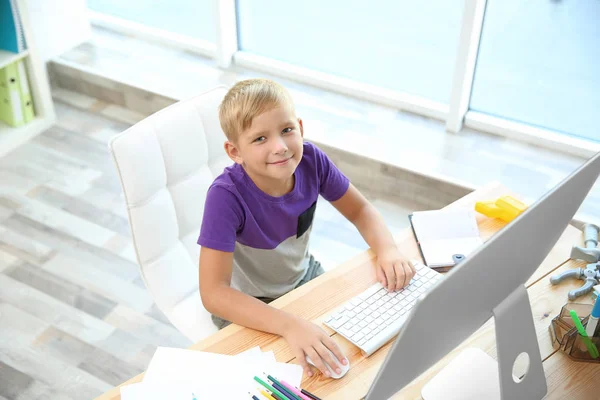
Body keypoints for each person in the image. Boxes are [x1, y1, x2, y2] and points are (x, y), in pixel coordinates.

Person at [198, 78, 415, 378]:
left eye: (286, 130)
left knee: (357, 350)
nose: (280, 147)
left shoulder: (312, 161)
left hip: (303, 278)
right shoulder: (225, 196)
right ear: (235, 152)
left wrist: (388, 250)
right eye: (260, 139)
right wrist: (289, 324)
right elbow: (214, 294)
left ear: (299, 127)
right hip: (249, 305)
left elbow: (361, 210)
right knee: (299, 377)